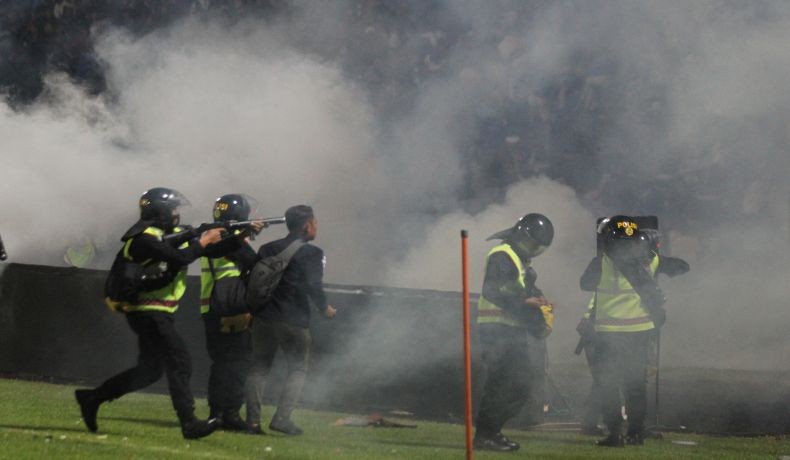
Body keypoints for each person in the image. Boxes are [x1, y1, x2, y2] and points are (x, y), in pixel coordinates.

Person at [75, 187, 224, 440]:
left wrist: (235, 234)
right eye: (174, 209)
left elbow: (189, 246)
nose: (177, 214)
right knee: (180, 362)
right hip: (149, 311)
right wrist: (201, 241)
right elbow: (181, 256)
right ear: (161, 212)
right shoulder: (144, 239)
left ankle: (92, 397)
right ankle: (189, 423)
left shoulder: (157, 236)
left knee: (150, 371)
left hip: (152, 312)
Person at [579, 215, 686, 447]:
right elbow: (680, 267)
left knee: (610, 384)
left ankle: (615, 434)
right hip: (638, 332)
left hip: (609, 333)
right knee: (634, 385)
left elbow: (585, 284)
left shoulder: (601, 263)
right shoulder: (644, 262)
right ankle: (635, 434)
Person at [244, 205, 336, 435]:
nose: (316, 227)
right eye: (315, 223)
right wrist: (325, 308)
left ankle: (253, 422)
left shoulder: (267, 248)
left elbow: (253, 280)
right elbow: (314, 286)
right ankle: (282, 419)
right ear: (307, 225)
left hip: (263, 317)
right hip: (293, 319)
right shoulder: (312, 253)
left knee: (259, 368)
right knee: (297, 369)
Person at [473, 213, 556, 452]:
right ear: (521, 235)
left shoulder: (518, 260)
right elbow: (493, 291)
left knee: (514, 385)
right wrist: (528, 305)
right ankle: (487, 434)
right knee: (506, 384)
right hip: (497, 330)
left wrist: (538, 306)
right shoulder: (503, 255)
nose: (533, 250)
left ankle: (489, 433)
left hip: (508, 330)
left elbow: (519, 292)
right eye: (531, 244)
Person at [199, 194, 265, 433]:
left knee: (222, 364)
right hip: (230, 309)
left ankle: (217, 413)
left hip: (212, 308)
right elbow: (255, 262)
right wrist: (246, 233)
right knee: (238, 363)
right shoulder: (227, 239)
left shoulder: (213, 236)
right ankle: (229, 414)